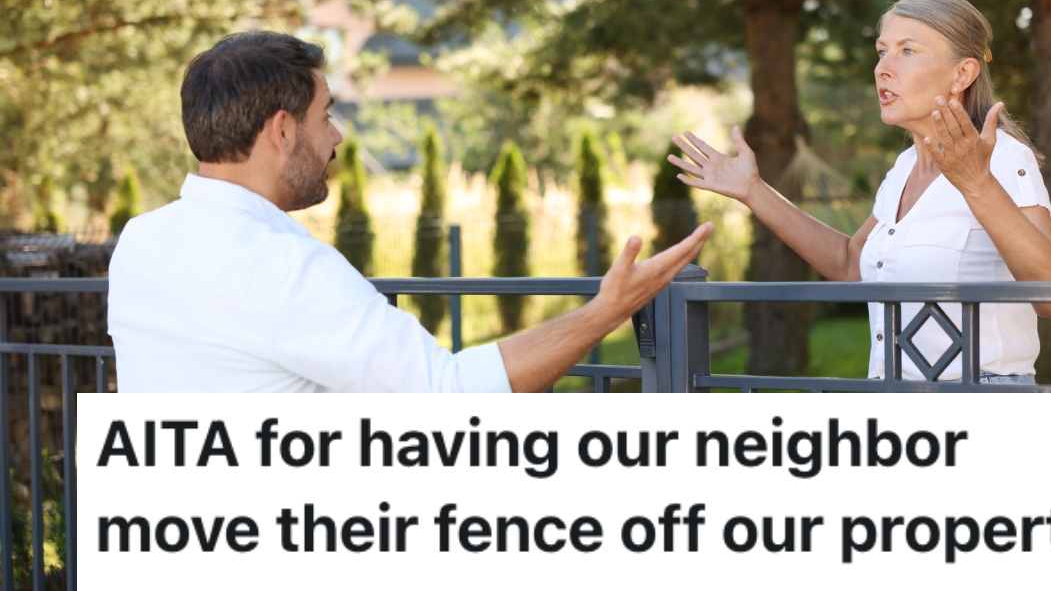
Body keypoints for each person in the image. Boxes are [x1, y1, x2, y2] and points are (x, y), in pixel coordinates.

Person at [108, 31, 711, 393]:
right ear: (283, 131)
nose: (336, 136)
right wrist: (606, 311)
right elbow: (449, 395)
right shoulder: (283, 267)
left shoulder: (140, 242)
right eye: (325, 116)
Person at [667, 0, 1051, 383]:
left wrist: (977, 183)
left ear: (962, 73)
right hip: (894, 399)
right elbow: (850, 264)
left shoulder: (1002, 159)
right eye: (882, 51)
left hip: (978, 400)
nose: (883, 68)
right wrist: (754, 190)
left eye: (907, 51)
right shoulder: (903, 169)